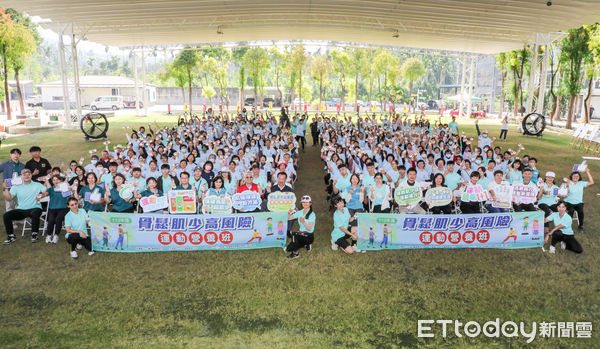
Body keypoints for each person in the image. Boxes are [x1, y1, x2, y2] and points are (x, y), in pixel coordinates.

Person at [2, 169, 46, 244]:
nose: (26, 176)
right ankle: (11, 236)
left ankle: (34, 234)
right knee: (6, 215)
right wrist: (6, 189)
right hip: (21, 209)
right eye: (24, 174)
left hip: (35, 207)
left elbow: (48, 191)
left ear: (31, 175)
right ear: (21, 176)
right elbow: (8, 198)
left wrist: (43, 195)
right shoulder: (16, 186)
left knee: (35, 213)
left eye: (28, 174)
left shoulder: (37, 185)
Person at [39, 174, 69, 244]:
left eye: (58, 179)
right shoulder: (51, 189)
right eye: (54, 180)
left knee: (58, 219)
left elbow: (70, 195)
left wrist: (69, 189)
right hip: (52, 208)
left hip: (63, 208)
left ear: (61, 180)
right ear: (52, 181)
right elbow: (45, 194)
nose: (56, 181)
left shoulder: (65, 188)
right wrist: (40, 196)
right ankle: (49, 235)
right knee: (51, 220)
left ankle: (56, 235)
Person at [564, 168, 594, 233]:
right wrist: (567, 185)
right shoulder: (568, 182)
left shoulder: (581, 183)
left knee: (580, 211)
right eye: (574, 176)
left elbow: (592, 182)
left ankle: (580, 226)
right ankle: (568, 226)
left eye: (577, 176)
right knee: (571, 211)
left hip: (578, 202)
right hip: (568, 202)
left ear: (579, 177)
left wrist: (587, 172)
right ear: (571, 177)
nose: (575, 177)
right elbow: (565, 193)